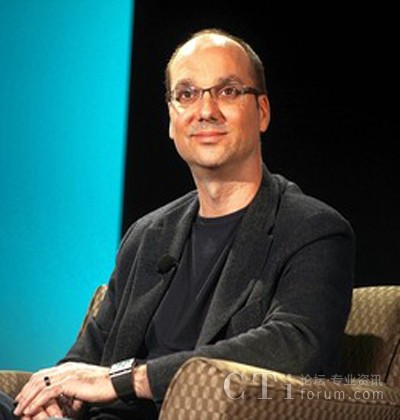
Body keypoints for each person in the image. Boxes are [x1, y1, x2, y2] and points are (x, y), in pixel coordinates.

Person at [3, 27, 355, 419]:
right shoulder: (147, 236)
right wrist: (53, 399)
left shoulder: (313, 230)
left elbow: (298, 345)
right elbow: (86, 359)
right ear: (172, 120)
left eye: (228, 91)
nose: (206, 110)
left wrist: (129, 379)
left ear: (262, 112)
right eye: (187, 94)